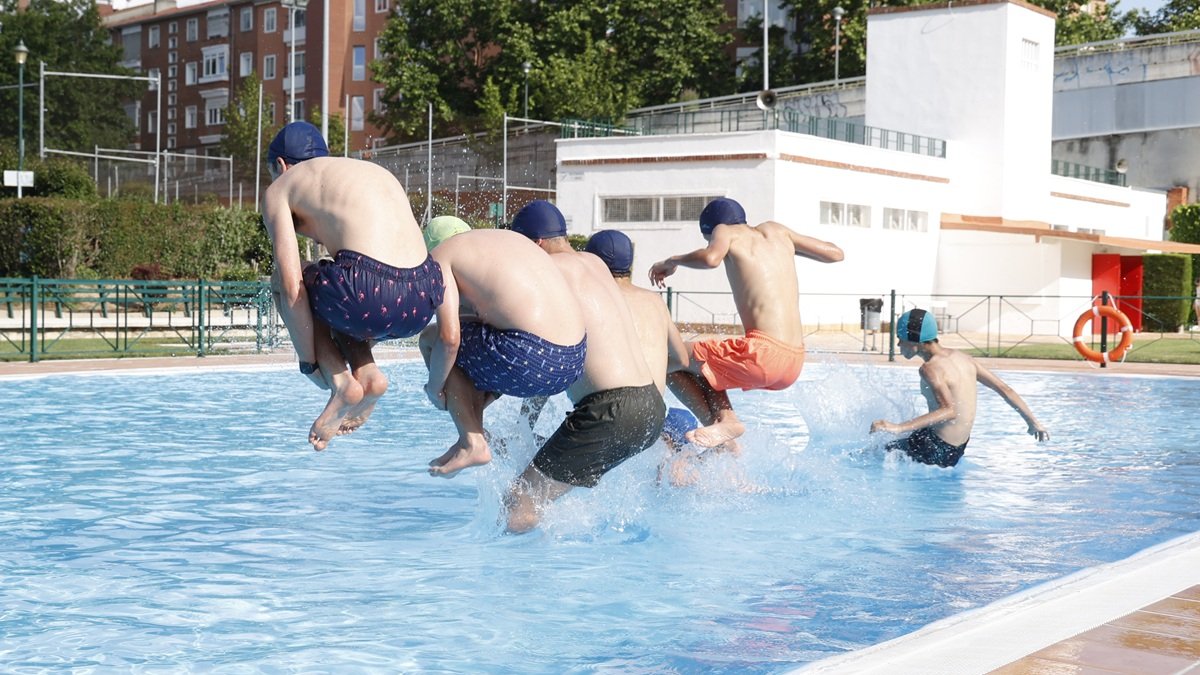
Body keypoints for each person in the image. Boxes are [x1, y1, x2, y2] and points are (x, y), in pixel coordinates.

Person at [261, 121, 443, 451]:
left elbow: (290, 286)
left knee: (294, 279)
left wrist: (309, 363)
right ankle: (368, 374)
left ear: (281, 166)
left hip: (367, 292)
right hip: (424, 296)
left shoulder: (282, 186)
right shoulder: (358, 173)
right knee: (340, 291)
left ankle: (341, 382)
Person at [507, 201, 665, 533]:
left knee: (519, 500)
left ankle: (515, 581)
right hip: (651, 406)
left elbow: (539, 350)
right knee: (541, 497)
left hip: (610, 409)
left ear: (535, 245)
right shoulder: (594, 263)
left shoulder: (549, 271)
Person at [648, 197, 845, 448]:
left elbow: (711, 259)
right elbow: (836, 253)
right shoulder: (777, 231)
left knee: (670, 358)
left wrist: (672, 261)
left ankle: (726, 422)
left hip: (763, 353)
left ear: (713, 230)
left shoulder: (725, 231)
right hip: (793, 362)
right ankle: (723, 436)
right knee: (701, 364)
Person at [419, 225, 587, 479]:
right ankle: (470, 435)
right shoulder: (503, 244)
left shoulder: (440, 257)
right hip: (573, 362)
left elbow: (449, 339)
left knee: (432, 340)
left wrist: (434, 388)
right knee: (475, 347)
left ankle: (473, 440)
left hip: (530, 357)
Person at [870, 308, 1050, 467]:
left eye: (901, 339)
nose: (899, 345)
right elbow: (1004, 389)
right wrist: (1033, 423)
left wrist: (899, 427)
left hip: (936, 449)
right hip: (956, 448)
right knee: (890, 446)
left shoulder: (930, 368)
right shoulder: (963, 358)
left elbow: (949, 411)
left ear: (915, 341)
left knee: (872, 456)